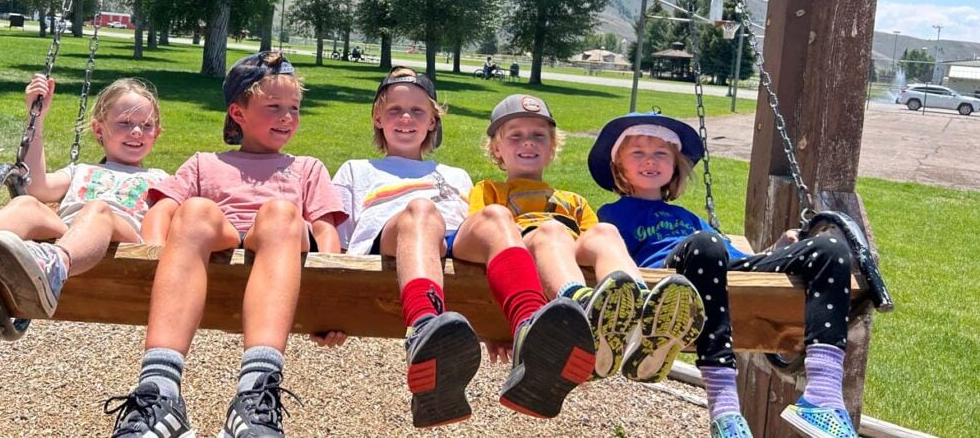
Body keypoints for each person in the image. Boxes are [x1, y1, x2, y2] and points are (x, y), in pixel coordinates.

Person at [106, 52, 346, 438]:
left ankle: (254, 396)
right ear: (238, 113)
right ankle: (160, 394)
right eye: (274, 107)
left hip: (280, 247)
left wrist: (330, 301)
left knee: (281, 214)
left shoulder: (307, 168)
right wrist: (150, 261)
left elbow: (327, 233)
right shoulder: (205, 164)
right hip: (217, 245)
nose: (287, 117)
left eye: (294, 108)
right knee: (195, 209)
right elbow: (161, 211)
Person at [334, 68, 593, 426]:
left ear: (433, 120)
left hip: (448, 246)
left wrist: (493, 323)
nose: (406, 118)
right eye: (395, 111)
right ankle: (426, 332)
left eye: (418, 111)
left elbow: (474, 241)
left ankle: (527, 329)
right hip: (392, 242)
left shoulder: (455, 175)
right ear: (378, 118)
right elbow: (337, 246)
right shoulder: (357, 169)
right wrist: (330, 312)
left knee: (496, 215)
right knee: (422, 212)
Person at [590, 112, 859, 438]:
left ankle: (823, 397)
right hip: (669, 282)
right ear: (619, 166)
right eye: (638, 153)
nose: (651, 161)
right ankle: (724, 408)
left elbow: (737, 260)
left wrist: (776, 251)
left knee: (829, 248)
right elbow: (607, 253)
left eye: (661, 153)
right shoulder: (612, 214)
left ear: (675, 165)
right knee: (706, 244)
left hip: (713, 266)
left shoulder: (688, 218)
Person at [467, 94, 703, 385]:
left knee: (606, 232)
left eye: (539, 136)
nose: (528, 142)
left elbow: (591, 240)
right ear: (496, 150)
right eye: (516, 136)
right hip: (523, 249)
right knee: (551, 231)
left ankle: (642, 312)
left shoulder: (573, 200)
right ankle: (580, 307)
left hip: (565, 251)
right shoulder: (490, 189)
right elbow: (482, 234)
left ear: (552, 148)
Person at [0, 74, 168, 320]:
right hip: (73, 233)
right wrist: (36, 117)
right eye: (125, 123)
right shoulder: (82, 170)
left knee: (98, 209)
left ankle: (55, 267)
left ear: (157, 134)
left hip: (127, 239)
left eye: (146, 126)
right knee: (26, 204)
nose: (136, 132)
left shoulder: (161, 178)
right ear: (99, 130)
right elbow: (37, 185)